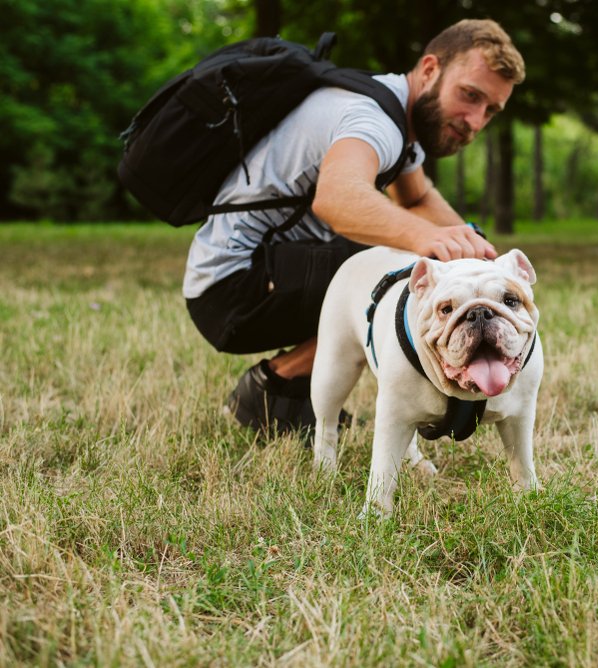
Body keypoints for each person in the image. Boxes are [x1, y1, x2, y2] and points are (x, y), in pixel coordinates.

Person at [181, 19, 525, 435]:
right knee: (420, 274)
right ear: (430, 69)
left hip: (258, 273)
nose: (474, 120)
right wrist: (433, 242)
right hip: (232, 287)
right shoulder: (372, 119)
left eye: (490, 110)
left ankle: (295, 388)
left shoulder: (395, 114)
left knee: (436, 266)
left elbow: (416, 199)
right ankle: (278, 383)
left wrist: (482, 260)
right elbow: (337, 197)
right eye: (469, 95)